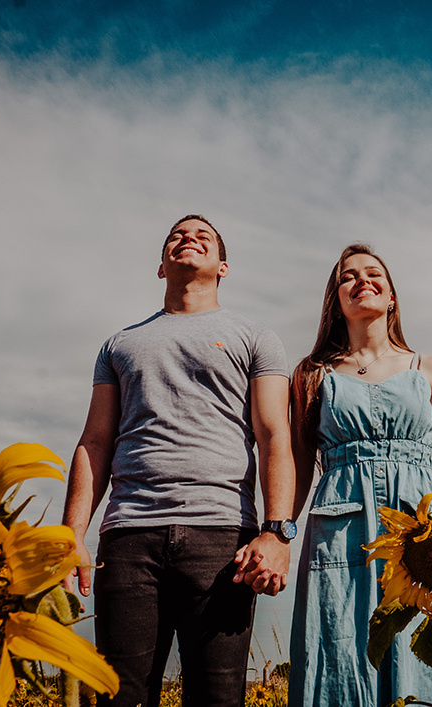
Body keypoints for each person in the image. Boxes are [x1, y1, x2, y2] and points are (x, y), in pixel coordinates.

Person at [61, 214, 297, 707]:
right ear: (161, 266)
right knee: (116, 697)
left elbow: (275, 435)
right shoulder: (119, 344)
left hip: (222, 539)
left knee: (217, 698)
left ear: (223, 267)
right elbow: (95, 442)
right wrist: (71, 537)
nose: (188, 238)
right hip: (128, 537)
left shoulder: (254, 336)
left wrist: (276, 532)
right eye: (177, 235)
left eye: (202, 236)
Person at [288, 243, 432, 706]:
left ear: (392, 297)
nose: (362, 281)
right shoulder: (311, 375)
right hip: (340, 524)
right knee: (338, 648)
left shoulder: (427, 367)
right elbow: (296, 465)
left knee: (421, 651)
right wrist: (278, 533)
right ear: (336, 299)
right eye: (348, 277)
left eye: (374, 274)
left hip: (422, 523)